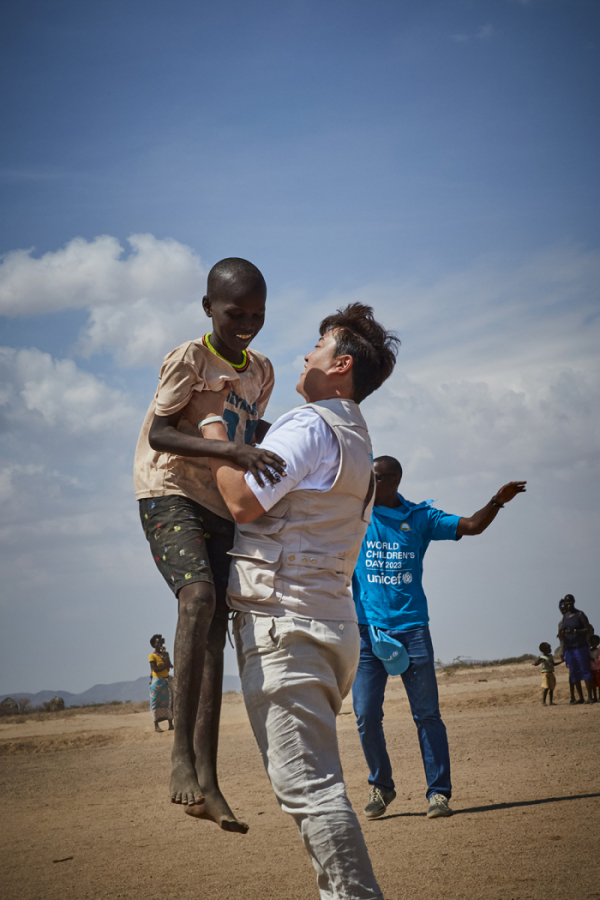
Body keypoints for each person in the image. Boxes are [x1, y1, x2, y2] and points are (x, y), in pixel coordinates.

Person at [195, 303, 399, 900]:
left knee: (312, 791)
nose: (304, 355)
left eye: (317, 346)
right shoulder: (355, 436)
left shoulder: (309, 425)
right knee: (318, 785)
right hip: (328, 624)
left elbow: (242, 502)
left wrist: (211, 425)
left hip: (287, 626)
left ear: (340, 366)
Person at [134, 257, 282, 832]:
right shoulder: (190, 359)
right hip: (168, 491)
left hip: (220, 502)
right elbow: (160, 432)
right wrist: (231, 451)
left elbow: (250, 431)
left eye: (256, 315)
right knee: (196, 599)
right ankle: (179, 759)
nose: (246, 325)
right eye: (235, 313)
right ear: (208, 308)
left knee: (216, 630)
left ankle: (208, 784)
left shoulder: (261, 371)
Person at [351, 456, 526, 820]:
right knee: (365, 714)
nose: (368, 482)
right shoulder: (354, 516)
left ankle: (438, 794)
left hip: (412, 628)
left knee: (427, 714)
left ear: (393, 480)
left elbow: (472, 525)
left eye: (375, 477)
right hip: (367, 632)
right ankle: (381, 785)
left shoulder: (421, 518)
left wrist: (497, 501)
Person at [559, 594, 594, 704]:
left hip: (580, 647)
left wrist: (575, 631)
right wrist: (561, 635)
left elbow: (587, 629)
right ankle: (580, 697)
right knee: (574, 673)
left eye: (570, 601)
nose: (568, 603)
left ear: (574, 601)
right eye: (567, 602)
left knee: (585, 671)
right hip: (569, 649)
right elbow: (563, 631)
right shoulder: (565, 617)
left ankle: (590, 697)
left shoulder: (580, 614)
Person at [149, 634, 175, 732]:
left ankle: (170, 724)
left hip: (166, 681)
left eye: (160, 642)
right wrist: (165, 666)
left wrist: (165, 656)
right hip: (157, 681)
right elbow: (155, 669)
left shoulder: (165, 654)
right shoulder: (152, 656)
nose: (159, 644)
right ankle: (156, 725)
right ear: (154, 645)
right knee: (155, 702)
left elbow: (169, 665)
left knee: (168, 702)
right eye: (157, 643)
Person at [532, 642, 563, 706]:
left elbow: (553, 664)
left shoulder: (550, 656)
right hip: (545, 674)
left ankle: (551, 702)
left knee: (551, 687)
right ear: (544, 650)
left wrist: (561, 662)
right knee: (546, 687)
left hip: (551, 673)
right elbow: (537, 663)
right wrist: (539, 662)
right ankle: (544, 702)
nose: (550, 649)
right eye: (549, 648)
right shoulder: (542, 657)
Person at [589, 634, 600, 703]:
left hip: (598, 669)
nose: (593, 644)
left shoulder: (598, 651)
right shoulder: (589, 651)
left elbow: (599, 659)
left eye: (595, 642)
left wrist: (593, 660)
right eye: (592, 642)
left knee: (599, 684)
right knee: (593, 685)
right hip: (591, 670)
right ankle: (595, 697)